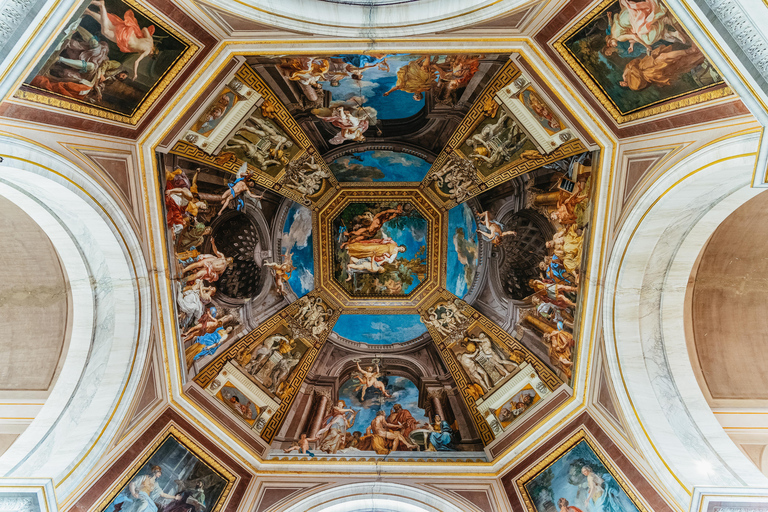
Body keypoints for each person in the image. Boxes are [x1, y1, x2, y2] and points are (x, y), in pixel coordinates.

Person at [84, 0, 159, 80]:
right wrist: (135, 74)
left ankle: (88, 11)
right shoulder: (148, 50)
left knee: (109, 25)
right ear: (152, 53)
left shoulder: (150, 40)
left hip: (129, 33)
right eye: (150, 56)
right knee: (105, 31)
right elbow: (136, 62)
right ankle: (101, 5)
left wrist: (139, 35)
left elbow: (144, 29)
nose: (149, 55)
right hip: (125, 39)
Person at [620, 44, 705, 91]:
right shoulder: (633, 86)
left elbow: (633, 63)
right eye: (623, 85)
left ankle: (690, 51)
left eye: (621, 83)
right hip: (651, 73)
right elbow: (639, 77)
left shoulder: (627, 75)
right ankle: (691, 52)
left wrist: (625, 73)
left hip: (646, 64)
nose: (623, 83)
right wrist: (632, 69)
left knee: (664, 56)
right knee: (667, 59)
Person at [110, 465, 180, 512]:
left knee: (154, 509)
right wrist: (134, 493)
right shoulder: (144, 477)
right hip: (138, 495)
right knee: (145, 503)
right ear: (155, 471)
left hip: (145, 497)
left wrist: (174, 497)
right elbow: (132, 483)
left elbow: (162, 494)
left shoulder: (155, 484)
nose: (160, 474)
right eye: (159, 471)